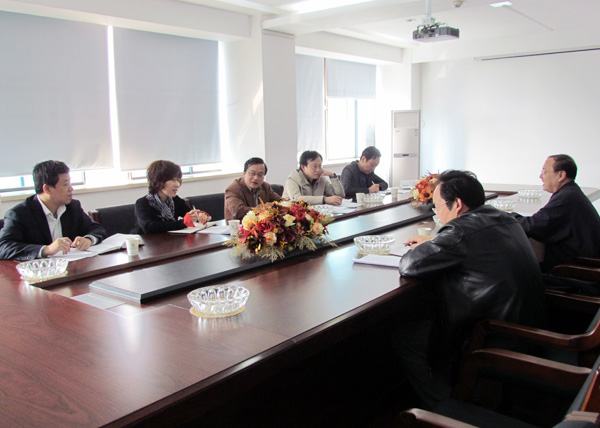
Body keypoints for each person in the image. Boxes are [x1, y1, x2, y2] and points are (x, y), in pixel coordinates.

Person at [392, 170, 546, 409]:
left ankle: (447, 410)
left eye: (437, 207)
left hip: (493, 335)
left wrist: (433, 243)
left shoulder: (460, 231)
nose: (437, 214)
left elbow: (411, 265)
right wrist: (437, 241)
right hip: (528, 325)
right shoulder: (503, 217)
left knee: (407, 336)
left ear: (457, 204)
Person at [0, 160, 107, 260]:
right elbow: (4, 247)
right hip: (39, 271)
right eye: (65, 184)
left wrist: (88, 239)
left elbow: (97, 229)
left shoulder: (73, 207)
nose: (71, 188)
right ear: (47, 189)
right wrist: (46, 250)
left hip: (73, 267)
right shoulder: (19, 214)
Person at [513, 154, 600, 273]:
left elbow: (533, 226)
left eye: (544, 171)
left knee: (517, 271)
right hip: (579, 264)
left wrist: (508, 217)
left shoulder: (567, 197)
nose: (540, 176)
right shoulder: (571, 192)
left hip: (577, 271)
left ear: (561, 175)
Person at [133, 160, 211, 233]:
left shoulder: (175, 200)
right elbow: (148, 227)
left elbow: (190, 215)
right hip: (147, 242)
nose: (177, 184)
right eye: (173, 180)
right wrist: (183, 223)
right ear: (159, 180)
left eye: (178, 180)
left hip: (170, 241)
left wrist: (200, 216)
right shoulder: (143, 203)